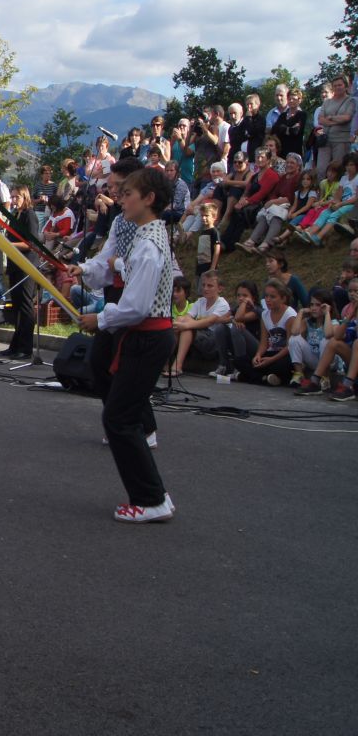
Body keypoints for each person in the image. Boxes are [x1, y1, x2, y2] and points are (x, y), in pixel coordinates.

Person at [70, 166, 177, 523]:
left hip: (147, 336)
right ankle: (151, 496)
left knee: (120, 418)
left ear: (149, 199)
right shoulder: (147, 236)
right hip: (145, 335)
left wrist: (99, 319)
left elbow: (136, 307)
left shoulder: (148, 244)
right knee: (120, 415)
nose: (122, 198)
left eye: (129, 193)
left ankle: (151, 499)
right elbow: (122, 272)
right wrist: (86, 270)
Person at [0, 186, 41, 359]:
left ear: (25, 197)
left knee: (25, 305)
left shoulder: (29, 215)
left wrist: (6, 244)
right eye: (13, 197)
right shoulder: (16, 216)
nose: (14, 200)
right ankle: (15, 345)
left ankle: (26, 347)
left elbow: (30, 243)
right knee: (16, 306)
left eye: (17, 197)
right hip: (15, 264)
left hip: (27, 264)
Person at [169, 272, 231, 376]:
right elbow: (188, 317)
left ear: (219, 289)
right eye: (203, 285)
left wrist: (186, 325)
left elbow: (209, 321)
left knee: (187, 328)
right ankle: (167, 361)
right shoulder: (200, 301)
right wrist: (179, 322)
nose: (205, 288)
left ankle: (177, 366)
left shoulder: (222, 303)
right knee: (180, 319)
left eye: (210, 286)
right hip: (202, 335)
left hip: (215, 340)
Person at [315, 73, 355, 177]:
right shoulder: (327, 102)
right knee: (321, 169)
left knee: (338, 170)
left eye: (340, 85)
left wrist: (330, 118)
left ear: (345, 86)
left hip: (341, 140)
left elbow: (347, 117)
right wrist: (336, 120)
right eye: (335, 85)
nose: (337, 87)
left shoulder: (350, 101)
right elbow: (320, 119)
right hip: (326, 140)